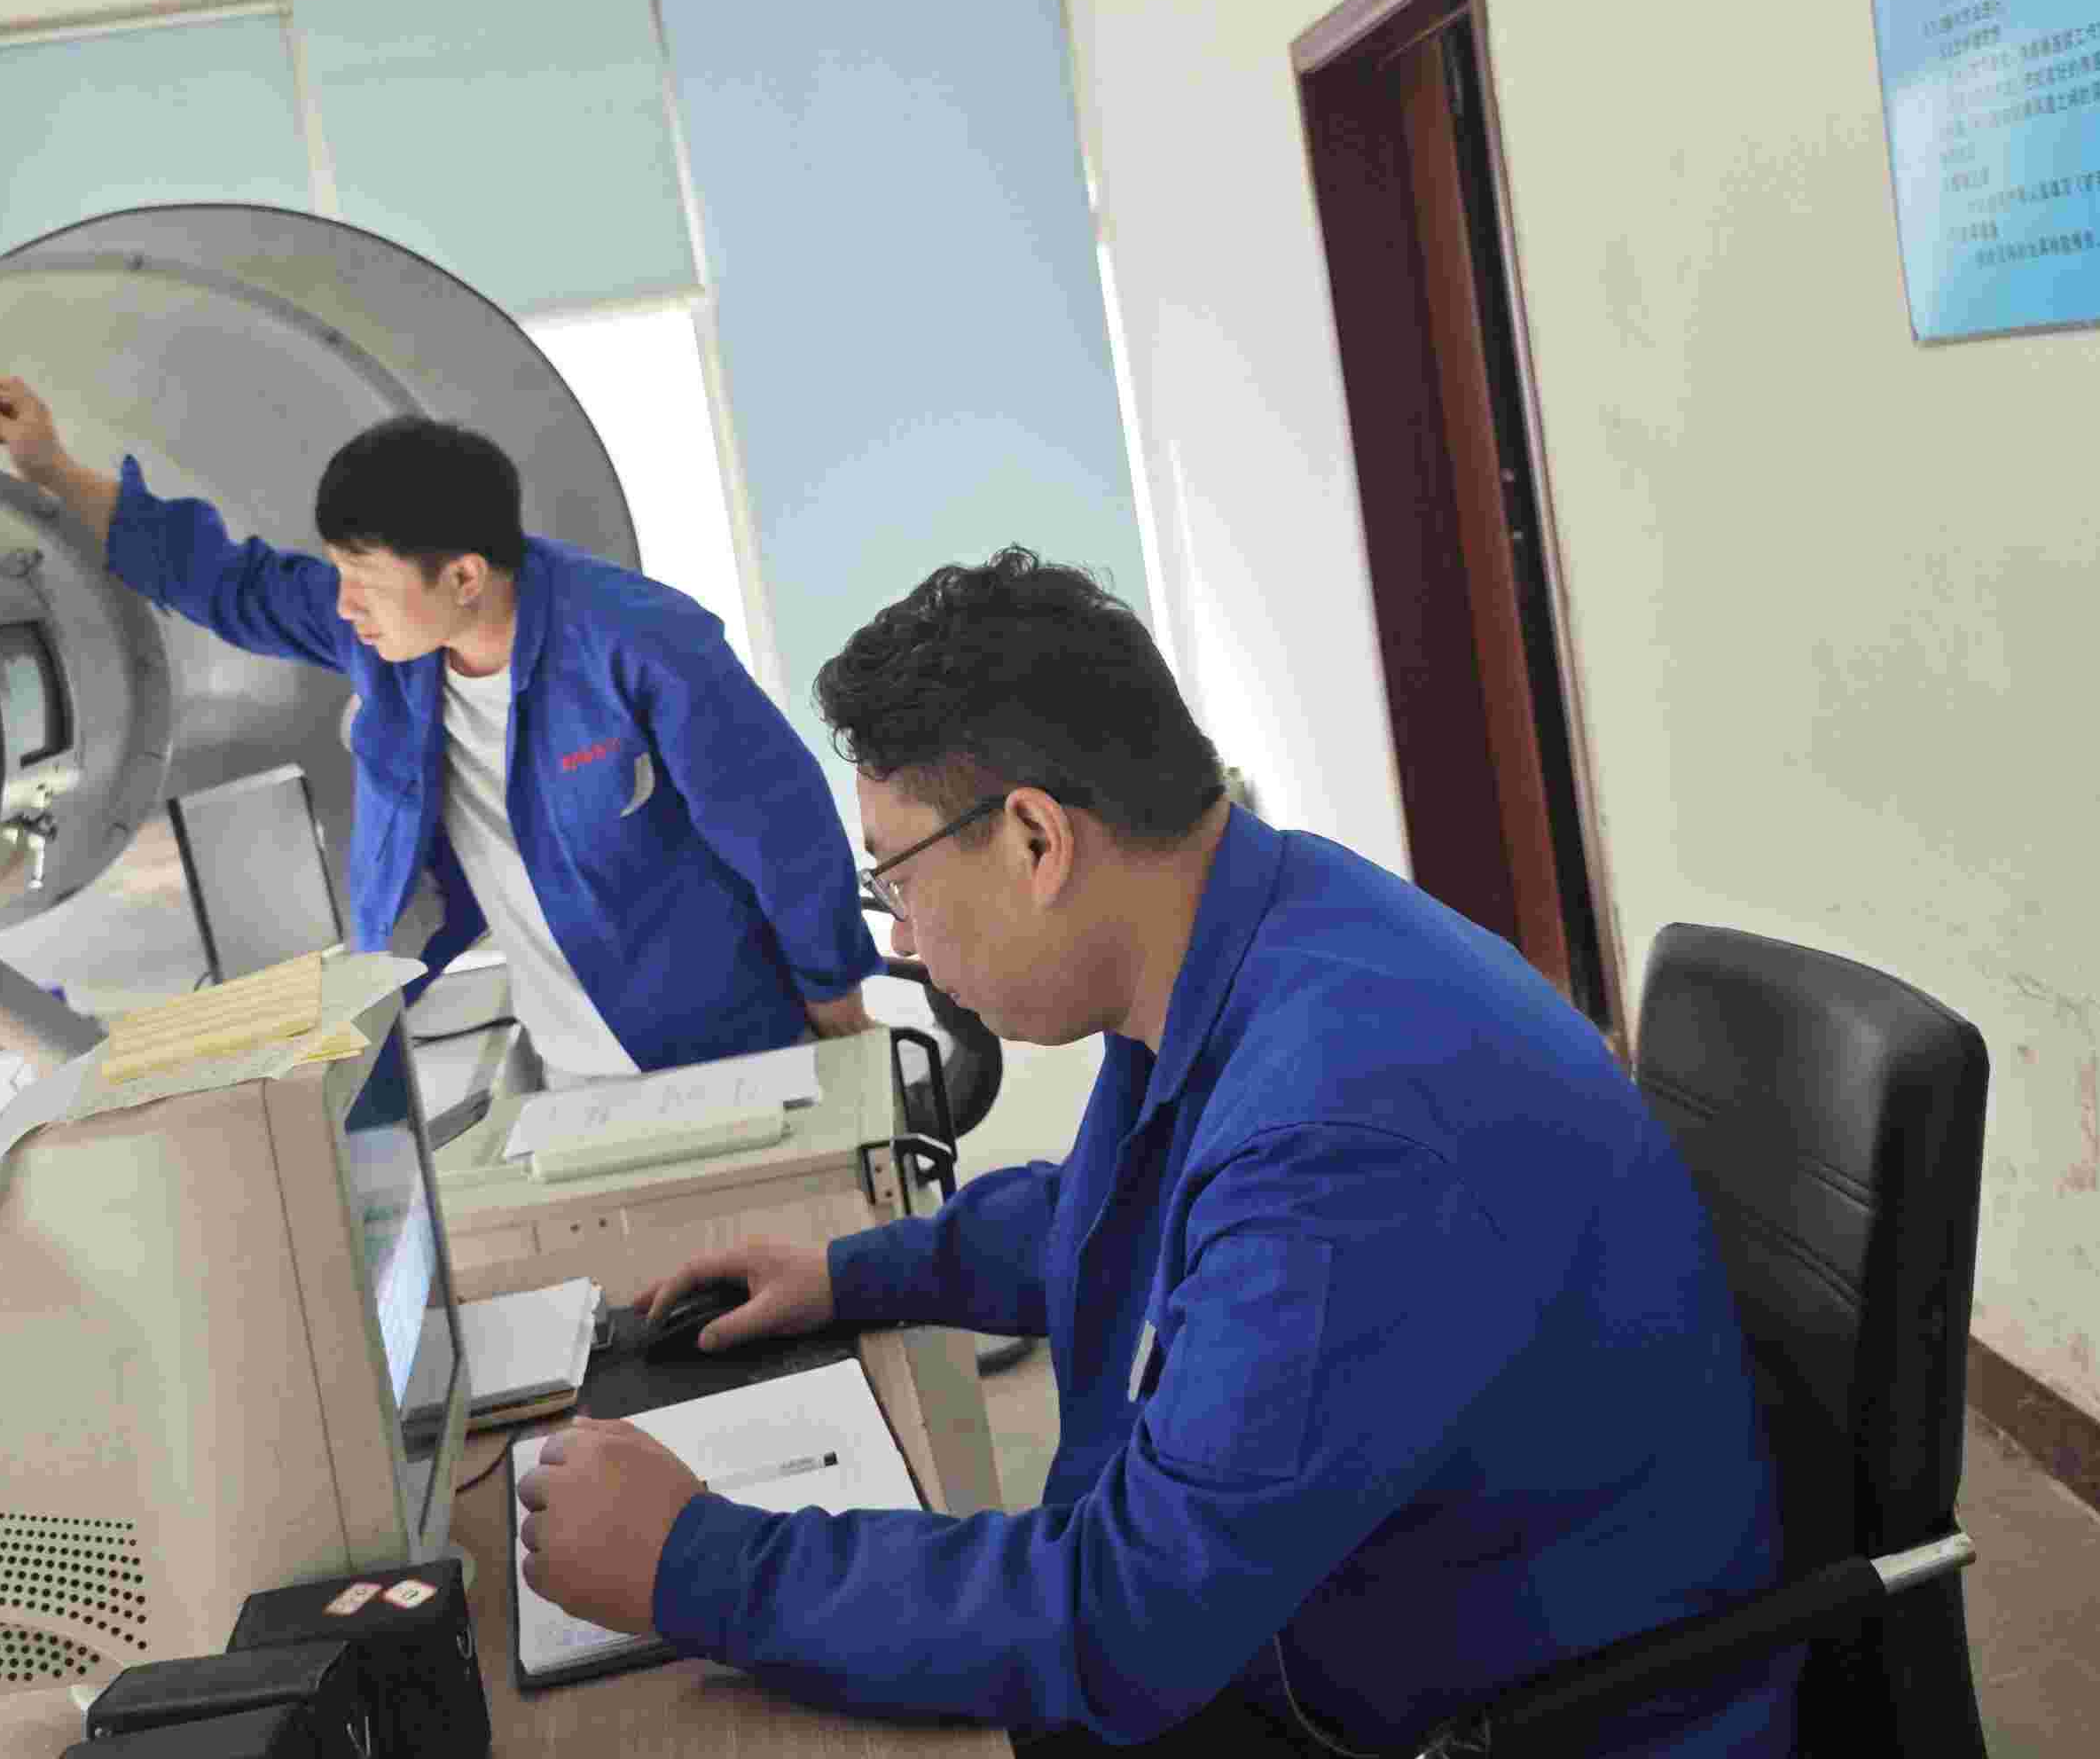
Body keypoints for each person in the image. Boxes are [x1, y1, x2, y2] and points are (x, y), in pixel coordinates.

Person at [515, 549, 1793, 1755]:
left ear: (1036, 839)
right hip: (1354, 1612)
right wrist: (855, 1273)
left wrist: (695, 1565)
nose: (899, 940)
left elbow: (1130, 1619)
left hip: (1494, 1720)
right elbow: (1129, 1203)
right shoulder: (1260, 921)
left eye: (895, 881)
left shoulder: (1344, 1131)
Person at [0, 371, 881, 1083]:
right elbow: (222, 579)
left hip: (729, 1050)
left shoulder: (644, 644)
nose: (346, 605)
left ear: (465, 577)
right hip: (570, 1060)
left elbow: (782, 823)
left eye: (365, 581)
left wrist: (834, 996)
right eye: (340, 576)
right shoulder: (392, 637)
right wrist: (49, 466)